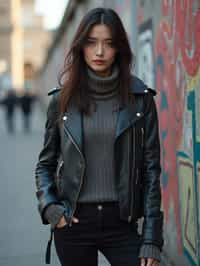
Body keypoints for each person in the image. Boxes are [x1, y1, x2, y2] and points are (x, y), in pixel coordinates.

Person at [35, 8, 163, 266]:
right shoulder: (62, 101)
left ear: (120, 49)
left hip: (122, 223)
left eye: (109, 43)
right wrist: (51, 208)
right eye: (92, 43)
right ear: (81, 47)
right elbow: (45, 165)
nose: (100, 52)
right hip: (73, 223)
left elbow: (151, 172)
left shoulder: (141, 99)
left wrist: (151, 238)